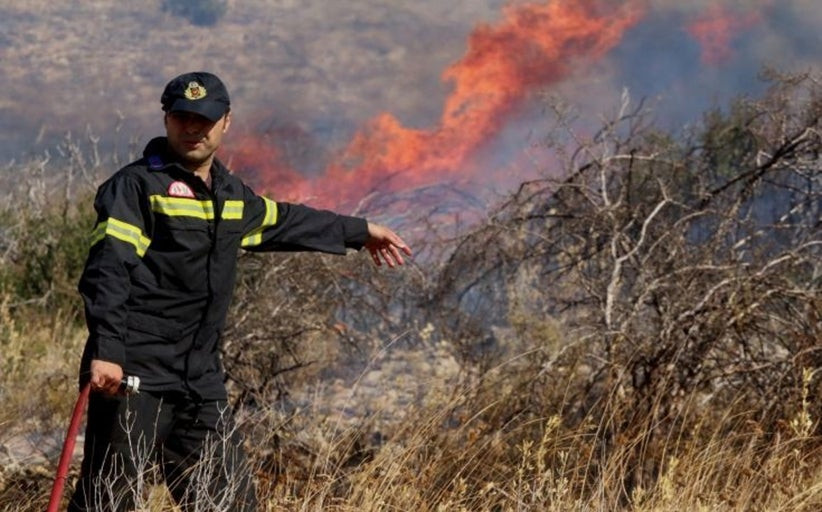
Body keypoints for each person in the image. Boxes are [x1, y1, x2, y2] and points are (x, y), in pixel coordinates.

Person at [68, 71, 412, 511]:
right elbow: (108, 270)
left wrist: (360, 231)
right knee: (107, 501)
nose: (193, 128)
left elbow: (286, 221)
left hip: (199, 381)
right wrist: (108, 350)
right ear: (166, 119)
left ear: (226, 121)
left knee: (228, 501)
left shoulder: (231, 195)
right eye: (182, 117)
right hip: (134, 374)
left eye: (204, 119)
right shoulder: (136, 187)